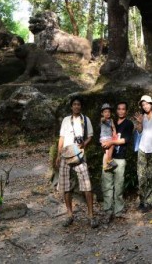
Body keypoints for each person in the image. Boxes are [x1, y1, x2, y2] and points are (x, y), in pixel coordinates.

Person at [56, 97, 98, 228]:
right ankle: (69, 215)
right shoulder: (65, 120)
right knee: (65, 186)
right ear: (71, 107)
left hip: (79, 155)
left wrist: (83, 145)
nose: (76, 106)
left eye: (78, 104)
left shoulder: (85, 120)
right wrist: (58, 155)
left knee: (87, 184)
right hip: (65, 155)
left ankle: (91, 216)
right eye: (74, 104)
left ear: (81, 107)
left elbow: (90, 136)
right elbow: (61, 138)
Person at [100, 101, 133, 222]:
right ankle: (108, 211)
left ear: (126, 111)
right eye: (118, 109)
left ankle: (118, 211)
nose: (120, 111)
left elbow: (125, 140)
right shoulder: (110, 122)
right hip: (107, 157)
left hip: (120, 159)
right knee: (107, 186)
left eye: (123, 109)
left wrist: (112, 142)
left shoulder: (128, 124)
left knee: (118, 187)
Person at [134, 94, 152, 212]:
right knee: (141, 176)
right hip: (143, 148)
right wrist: (140, 123)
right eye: (143, 104)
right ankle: (142, 200)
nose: (145, 106)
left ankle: (149, 202)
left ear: (151, 104)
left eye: (146, 103)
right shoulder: (142, 117)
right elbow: (140, 131)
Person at [99, 103, 118, 172]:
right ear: (102, 113)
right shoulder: (102, 120)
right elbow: (103, 120)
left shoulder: (111, 120)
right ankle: (109, 160)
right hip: (104, 138)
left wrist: (114, 133)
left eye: (109, 112)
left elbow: (113, 127)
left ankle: (105, 166)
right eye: (105, 112)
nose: (107, 113)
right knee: (112, 145)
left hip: (109, 137)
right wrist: (104, 118)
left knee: (106, 152)